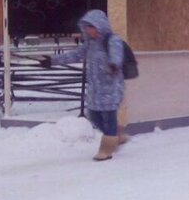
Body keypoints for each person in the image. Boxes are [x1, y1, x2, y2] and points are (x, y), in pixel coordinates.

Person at [39, 9, 127, 161]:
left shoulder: (112, 40)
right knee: (94, 116)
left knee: (109, 117)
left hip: (111, 87)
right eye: (86, 27)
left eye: (91, 26)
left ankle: (106, 150)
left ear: (100, 25)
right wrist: (52, 61)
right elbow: (75, 55)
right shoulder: (90, 44)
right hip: (94, 89)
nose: (88, 30)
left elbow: (117, 55)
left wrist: (113, 64)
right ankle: (115, 136)